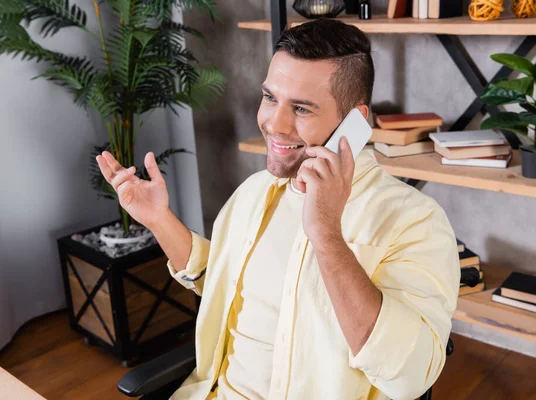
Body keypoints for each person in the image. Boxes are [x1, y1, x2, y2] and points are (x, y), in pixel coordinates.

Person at [96, 19, 460, 400]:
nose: (273, 123)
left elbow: (410, 376)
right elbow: (221, 279)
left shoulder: (414, 221)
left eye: (301, 108)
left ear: (355, 122)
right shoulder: (255, 193)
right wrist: (158, 219)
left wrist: (326, 234)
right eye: (270, 98)